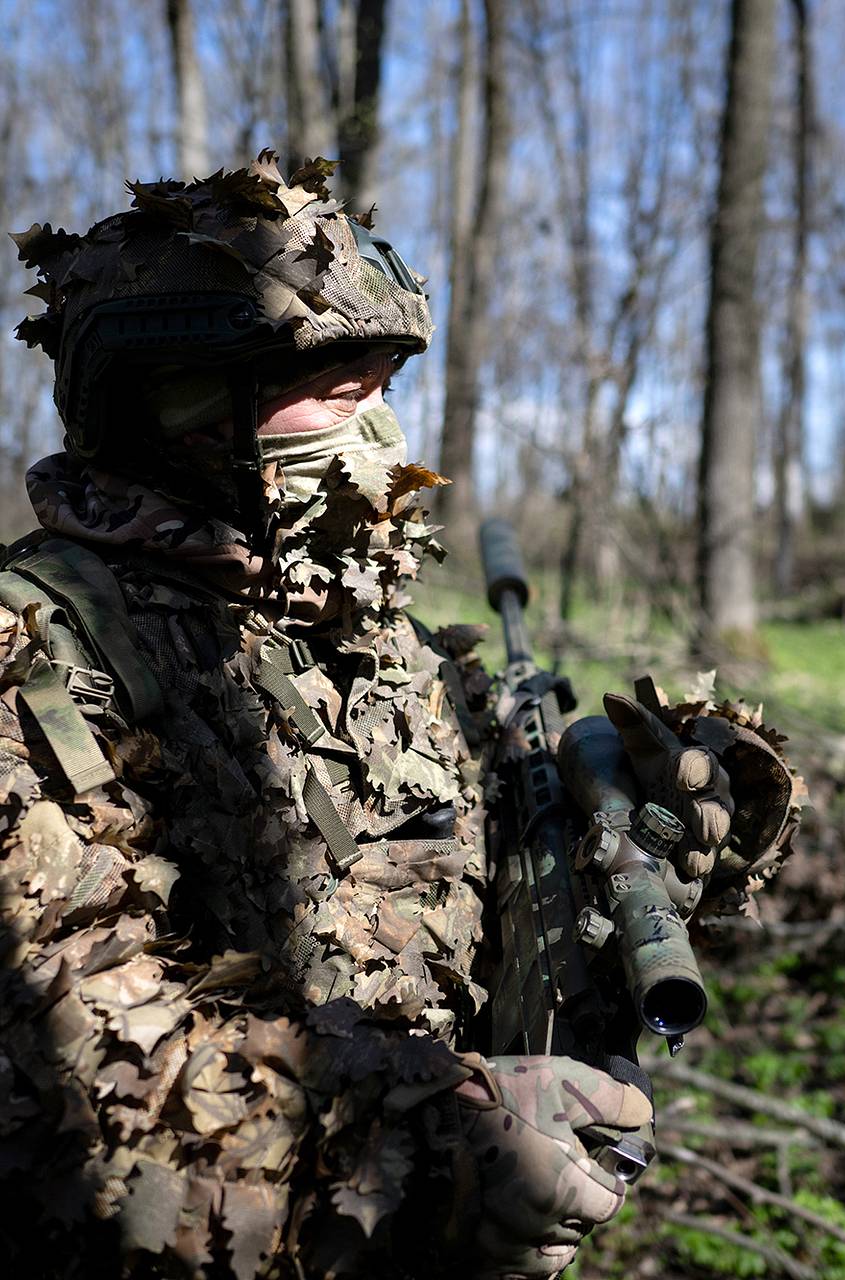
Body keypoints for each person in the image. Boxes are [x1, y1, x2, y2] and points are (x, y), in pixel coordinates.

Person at [0, 152, 797, 1279]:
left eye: (385, 387)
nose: (382, 435)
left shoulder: (390, 645)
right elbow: (58, 1060)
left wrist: (692, 813)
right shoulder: (39, 655)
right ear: (180, 405)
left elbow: (526, 882)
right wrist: (427, 1146)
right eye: (339, 392)